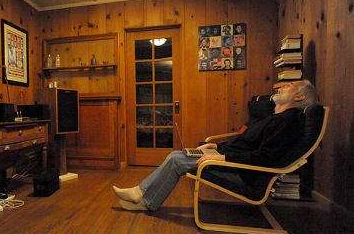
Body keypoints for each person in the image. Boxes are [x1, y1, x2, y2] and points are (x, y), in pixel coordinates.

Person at [113, 80, 317, 211]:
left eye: (288, 85)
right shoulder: (273, 117)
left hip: (243, 170)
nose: (280, 86)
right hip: (229, 157)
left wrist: (222, 157)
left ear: (299, 97)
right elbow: (244, 142)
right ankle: (142, 195)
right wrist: (216, 148)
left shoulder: (288, 121)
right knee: (177, 154)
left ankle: (144, 199)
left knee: (176, 160)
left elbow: (264, 157)